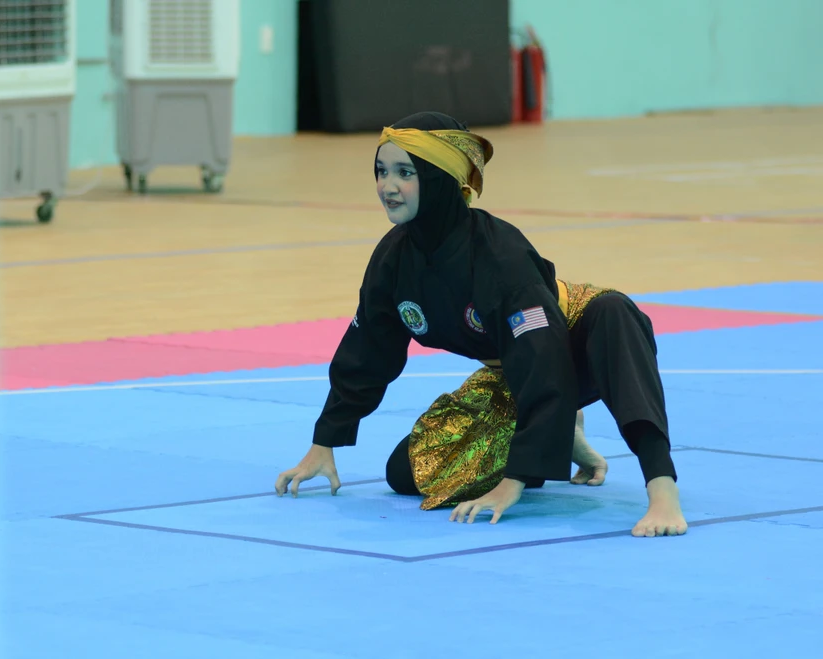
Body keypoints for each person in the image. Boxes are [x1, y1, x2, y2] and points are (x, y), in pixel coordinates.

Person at [275, 111, 687, 538]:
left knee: (614, 313)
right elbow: (367, 352)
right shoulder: (394, 258)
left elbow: (544, 364)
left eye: (404, 172)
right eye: (381, 171)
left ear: (439, 178)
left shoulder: (499, 256)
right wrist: (324, 443)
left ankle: (662, 490)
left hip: (576, 341)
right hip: (516, 369)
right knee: (407, 473)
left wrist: (514, 482)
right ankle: (564, 438)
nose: (388, 187)